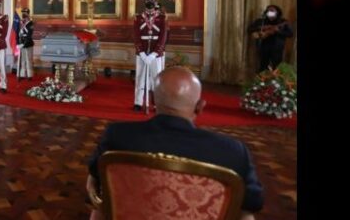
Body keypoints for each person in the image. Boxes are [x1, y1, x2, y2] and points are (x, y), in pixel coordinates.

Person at [86, 67, 263, 220]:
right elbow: (253, 202)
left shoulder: (117, 135)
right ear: (200, 106)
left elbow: (95, 175)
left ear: (152, 99)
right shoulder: (232, 151)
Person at [133, 0, 167, 112]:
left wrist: (154, 54)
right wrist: (141, 53)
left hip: (156, 54)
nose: (150, 2)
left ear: (156, 1)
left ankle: (157, 103)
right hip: (141, 53)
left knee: (156, 79)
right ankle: (138, 102)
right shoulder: (138, 18)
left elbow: (163, 37)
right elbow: (136, 36)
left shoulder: (162, 18)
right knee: (140, 77)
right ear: (144, 1)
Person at [247, 5, 293, 72]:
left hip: (277, 48)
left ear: (277, 12)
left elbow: (290, 34)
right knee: (263, 66)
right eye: (268, 11)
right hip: (264, 47)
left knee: (276, 67)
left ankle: (275, 81)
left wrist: (278, 31)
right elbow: (249, 29)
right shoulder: (261, 21)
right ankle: (261, 81)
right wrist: (261, 28)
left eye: (272, 11)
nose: (270, 12)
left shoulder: (283, 22)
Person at [16, 7, 34, 80]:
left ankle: (29, 75)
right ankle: (22, 74)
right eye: (23, 13)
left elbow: (29, 34)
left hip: (28, 43)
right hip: (21, 43)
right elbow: (17, 33)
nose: (24, 15)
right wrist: (18, 43)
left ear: (28, 14)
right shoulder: (20, 22)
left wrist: (24, 44)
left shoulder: (30, 23)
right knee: (22, 60)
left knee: (28, 59)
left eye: (25, 13)